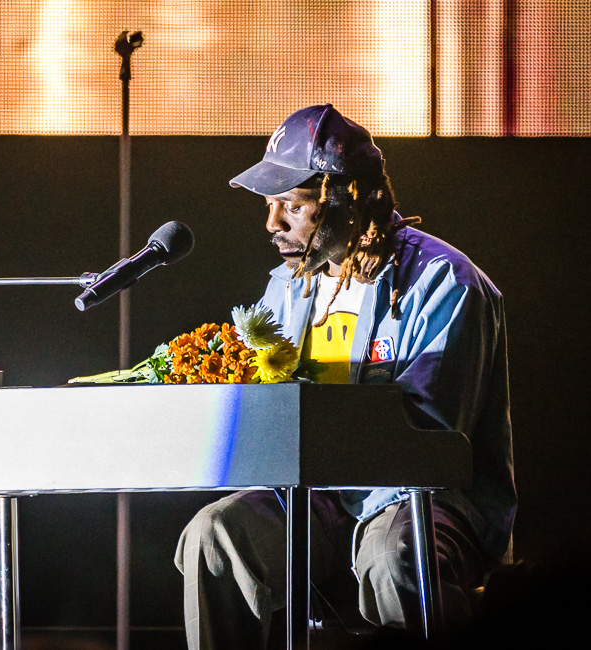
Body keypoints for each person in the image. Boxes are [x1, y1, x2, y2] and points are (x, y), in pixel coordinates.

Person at [174, 105, 516, 649]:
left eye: (291, 204)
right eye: (269, 205)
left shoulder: (443, 282)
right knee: (215, 535)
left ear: (345, 199)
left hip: (421, 499)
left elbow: (427, 439)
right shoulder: (287, 287)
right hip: (319, 498)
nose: (273, 223)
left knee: (393, 554)